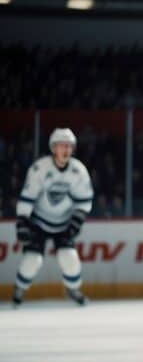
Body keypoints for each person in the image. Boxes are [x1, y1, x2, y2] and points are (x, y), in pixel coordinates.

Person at [11, 128, 93, 306]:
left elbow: (84, 202)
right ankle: (19, 290)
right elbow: (27, 198)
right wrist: (23, 222)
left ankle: (73, 290)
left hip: (64, 222)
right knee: (32, 260)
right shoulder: (39, 168)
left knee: (69, 257)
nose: (65, 150)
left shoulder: (79, 171)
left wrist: (77, 220)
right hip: (38, 222)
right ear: (53, 148)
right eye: (61, 145)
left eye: (68, 146)